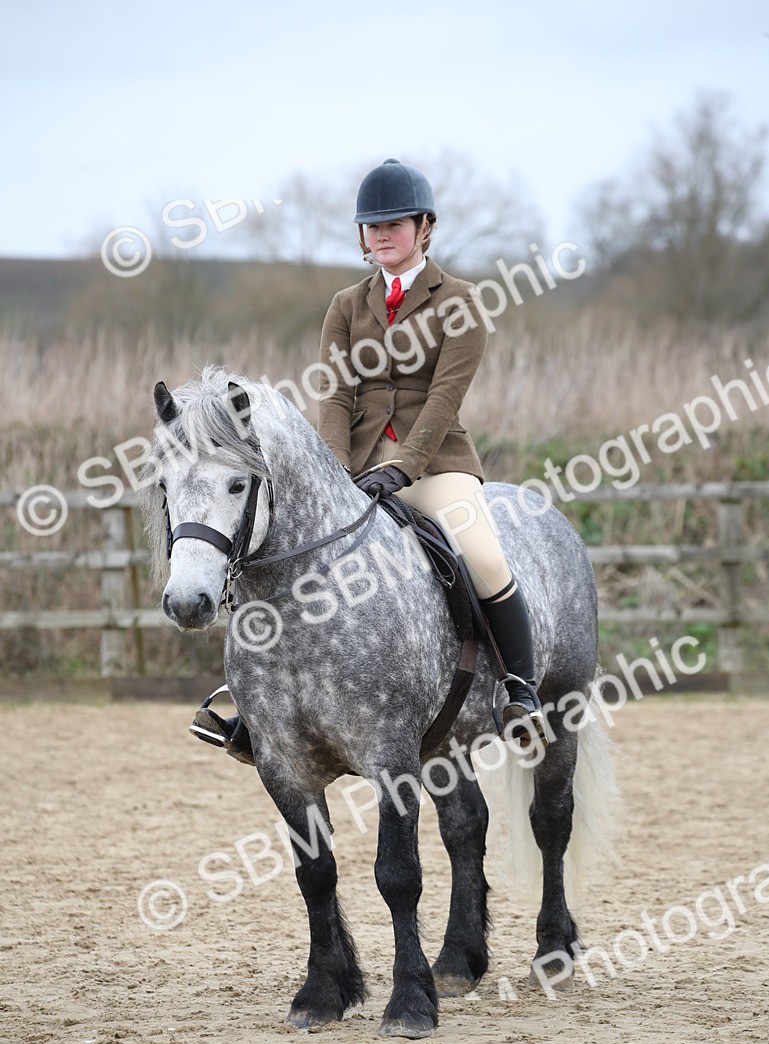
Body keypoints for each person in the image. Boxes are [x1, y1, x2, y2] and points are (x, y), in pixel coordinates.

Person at [192, 158, 543, 763]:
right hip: (354, 468)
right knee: (280, 557)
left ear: (424, 227)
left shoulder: (460, 302)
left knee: (482, 552)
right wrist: (333, 474)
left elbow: (442, 402)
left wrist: (403, 468)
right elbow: (335, 396)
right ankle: (259, 711)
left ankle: (519, 689)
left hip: (433, 466)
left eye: (394, 224)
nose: (381, 235)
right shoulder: (345, 306)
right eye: (371, 226)